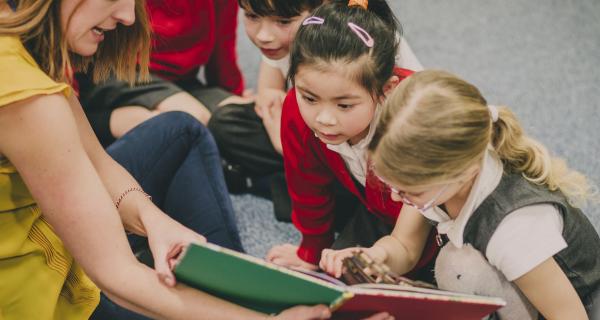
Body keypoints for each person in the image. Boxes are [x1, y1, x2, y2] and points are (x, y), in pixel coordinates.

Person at [0, 0, 333, 319]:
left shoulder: (19, 44)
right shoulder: (27, 99)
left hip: (60, 242)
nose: (129, 15)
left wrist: (151, 218)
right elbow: (115, 276)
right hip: (56, 300)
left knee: (182, 130)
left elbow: (98, 164)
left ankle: (237, 292)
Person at [320, 70, 600, 319]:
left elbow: (569, 315)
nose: (395, 198)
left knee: (458, 269)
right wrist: (374, 255)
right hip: (527, 286)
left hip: (582, 307)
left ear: (462, 173)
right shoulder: (445, 174)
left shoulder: (513, 230)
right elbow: (404, 247)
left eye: (408, 189)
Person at [264, 0, 438, 281]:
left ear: (387, 89)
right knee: (335, 278)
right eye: (310, 97)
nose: (324, 118)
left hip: (438, 220)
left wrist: (383, 259)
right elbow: (305, 182)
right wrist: (310, 250)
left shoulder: (415, 119)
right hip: (377, 208)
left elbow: (410, 243)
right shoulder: (296, 109)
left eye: (344, 105)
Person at [208, 0, 424, 219]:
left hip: (374, 157)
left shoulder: (369, 49)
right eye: (253, 16)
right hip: (328, 139)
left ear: (325, 7)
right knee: (226, 122)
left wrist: (290, 143)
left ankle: (289, 189)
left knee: (371, 220)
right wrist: (280, 123)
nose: (264, 35)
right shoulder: (290, 41)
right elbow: (269, 94)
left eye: (283, 21)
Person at [76, 0, 247, 148]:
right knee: (192, 119)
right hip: (122, 72)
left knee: (240, 116)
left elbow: (223, 48)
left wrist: (233, 93)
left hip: (182, 82)